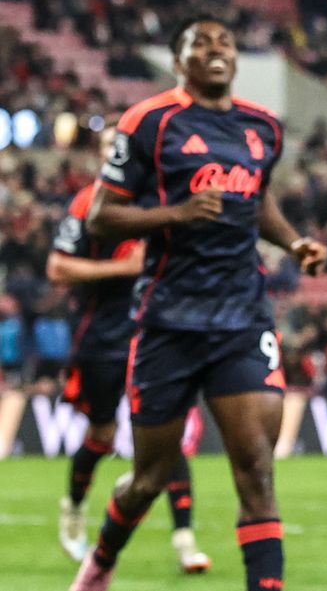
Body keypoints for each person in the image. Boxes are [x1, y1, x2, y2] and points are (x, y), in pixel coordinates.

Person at [69, 15, 327, 591]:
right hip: (167, 319)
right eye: (200, 42)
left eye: (225, 42)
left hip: (242, 316)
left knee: (257, 470)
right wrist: (175, 215)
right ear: (178, 59)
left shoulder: (263, 128)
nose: (216, 50)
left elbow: (257, 202)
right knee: (150, 477)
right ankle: (101, 563)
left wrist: (293, 242)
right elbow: (101, 218)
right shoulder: (149, 122)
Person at [49, 127, 210, 572]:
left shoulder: (161, 202)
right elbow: (58, 267)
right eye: (106, 148)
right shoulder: (87, 204)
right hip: (102, 334)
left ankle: (185, 541)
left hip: (157, 332)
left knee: (167, 432)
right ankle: (76, 507)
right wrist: (123, 268)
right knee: (101, 434)